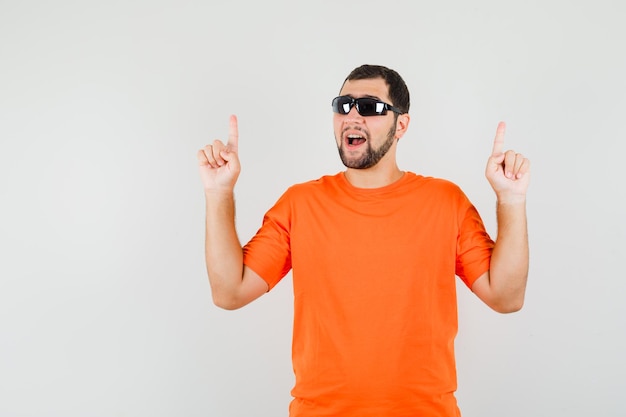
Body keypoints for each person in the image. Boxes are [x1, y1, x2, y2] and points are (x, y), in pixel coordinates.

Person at [197, 64, 530, 417]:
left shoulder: (445, 202)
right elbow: (229, 292)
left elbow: (506, 297)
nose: (352, 116)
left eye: (369, 107)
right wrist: (219, 192)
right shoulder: (300, 205)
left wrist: (511, 200)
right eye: (343, 105)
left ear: (401, 124)